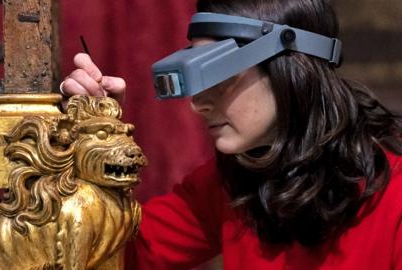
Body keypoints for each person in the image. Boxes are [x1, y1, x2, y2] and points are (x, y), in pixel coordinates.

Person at [61, 0, 402, 269]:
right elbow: (113, 255)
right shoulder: (232, 183)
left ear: (290, 70)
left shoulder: (393, 198)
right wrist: (92, 135)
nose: (199, 104)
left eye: (219, 77)